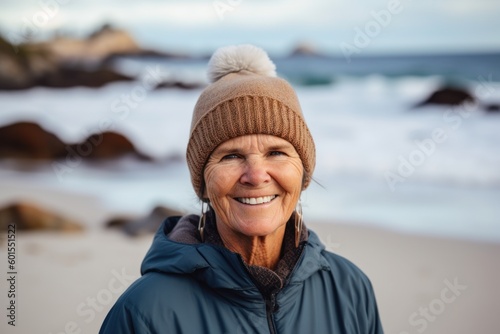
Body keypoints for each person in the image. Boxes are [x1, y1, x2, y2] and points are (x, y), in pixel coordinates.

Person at [100, 44, 384, 333]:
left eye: (276, 153)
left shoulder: (350, 290)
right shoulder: (145, 312)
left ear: (303, 173)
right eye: (231, 156)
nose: (256, 175)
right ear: (203, 183)